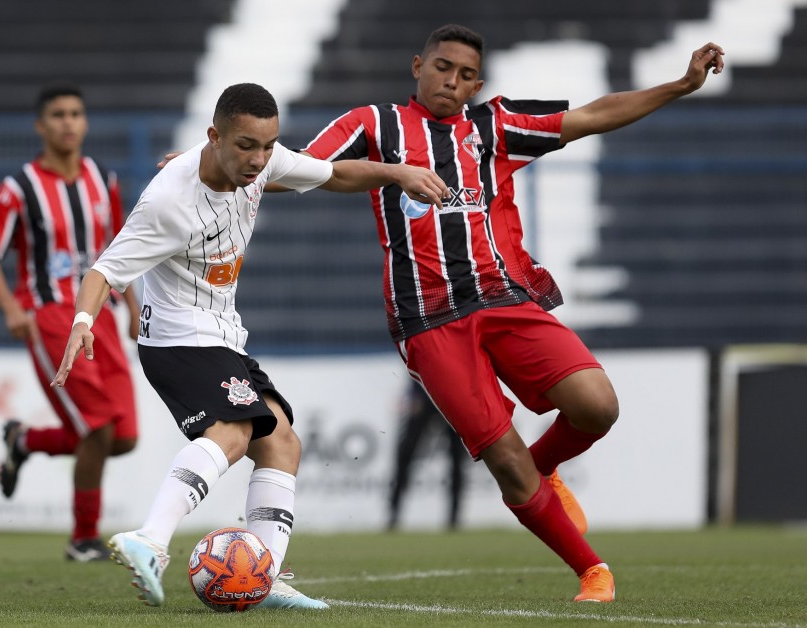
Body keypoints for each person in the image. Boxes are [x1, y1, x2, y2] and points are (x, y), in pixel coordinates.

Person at [295, 25, 725, 602]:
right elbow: (299, 168)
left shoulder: (494, 126)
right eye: (443, 67)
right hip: (429, 321)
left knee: (597, 406)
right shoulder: (376, 124)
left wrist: (679, 85)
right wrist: (215, 163)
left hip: (504, 300)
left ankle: (544, 468)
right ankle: (593, 572)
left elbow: (594, 115)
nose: (452, 81)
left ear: (479, 83)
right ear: (418, 64)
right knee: (505, 460)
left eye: (467, 75)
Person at [51, 82, 447, 609]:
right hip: (178, 341)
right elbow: (105, 268)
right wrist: (83, 319)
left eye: (267, 146)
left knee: (282, 444)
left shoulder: (260, 160)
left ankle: (265, 578)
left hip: (223, 336)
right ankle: (150, 539)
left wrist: (397, 174)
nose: (260, 159)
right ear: (214, 136)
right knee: (236, 431)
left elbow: (333, 173)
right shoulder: (170, 202)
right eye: (246, 146)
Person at [0, 83, 141, 562]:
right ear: (40, 126)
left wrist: (130, 308)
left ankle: (24, 440)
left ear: (84, 122)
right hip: (51, 318)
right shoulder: (19, 188)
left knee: (124, 438)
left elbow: (118, 250)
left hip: (101, 317)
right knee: (99, 428)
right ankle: (83, 539)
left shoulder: (101, 180)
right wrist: (11, 307)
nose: (68, 122)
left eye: (75, 114)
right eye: (58, 114)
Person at [388, 380, 466, 531]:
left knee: (457, 458)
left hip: (451, 396)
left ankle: (454, 518)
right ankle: (393, 513)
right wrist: (414, 394)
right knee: (406, 453)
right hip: (425, 395)